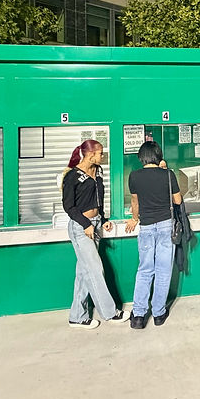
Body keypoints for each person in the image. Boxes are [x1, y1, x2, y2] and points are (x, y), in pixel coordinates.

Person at [61, 139, 124, 330]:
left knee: (84, 272)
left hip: (94, 225)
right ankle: (110, 313)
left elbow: (98, 199)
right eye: (100, 153)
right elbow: (68, 206)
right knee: (95, 269)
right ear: (90, 155)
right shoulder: (72, 176)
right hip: (81, 229)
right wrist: (86, 223)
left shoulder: (98, 172)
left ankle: (77, 316)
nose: (102, 156)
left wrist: (102, 219)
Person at [125, 140, 182, 329]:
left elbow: (135, 202)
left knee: (144, 270)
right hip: (166, 226)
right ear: (159, 156)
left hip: (146, 227)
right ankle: (158, 314)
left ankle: (139, 316)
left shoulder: (134, 176)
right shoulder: (168, 175)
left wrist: (134, 219)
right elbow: (177, 199)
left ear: (141, 157)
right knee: (163, 271)